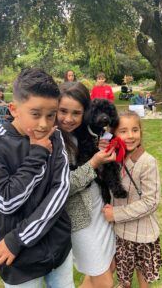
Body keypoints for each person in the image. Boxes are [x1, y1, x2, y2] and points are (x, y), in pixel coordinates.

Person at [0, 68, 73, 288]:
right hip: (19, 260)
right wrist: (37, 154)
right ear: (14, 109)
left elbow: (61, 191)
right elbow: (6, 201)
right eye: (35, 114)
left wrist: (20, 237)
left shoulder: (55, 136)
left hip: (58, 247)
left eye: (51, 115)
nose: (44, 124)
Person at [57, 81, 116, 288]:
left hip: (100, 207)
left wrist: (103, 150)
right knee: (104, 281)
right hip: (79, 219)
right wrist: (94, 162)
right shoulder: (51, 141)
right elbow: (63, 188)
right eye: (62, 111)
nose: (68, 119)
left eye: (76, 112)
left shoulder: (87, 132)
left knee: (108, 266)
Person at [102, 110, 162, 288]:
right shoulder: (113, 159)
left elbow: (151, 202)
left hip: (142, 234)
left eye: (135, 130)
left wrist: (116, 213)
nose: (130, 136)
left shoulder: (147, 162)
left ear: (141, 133)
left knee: (144, 280)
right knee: (123, 279)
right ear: (113, 133)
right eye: (123, 131)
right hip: (120, 234)